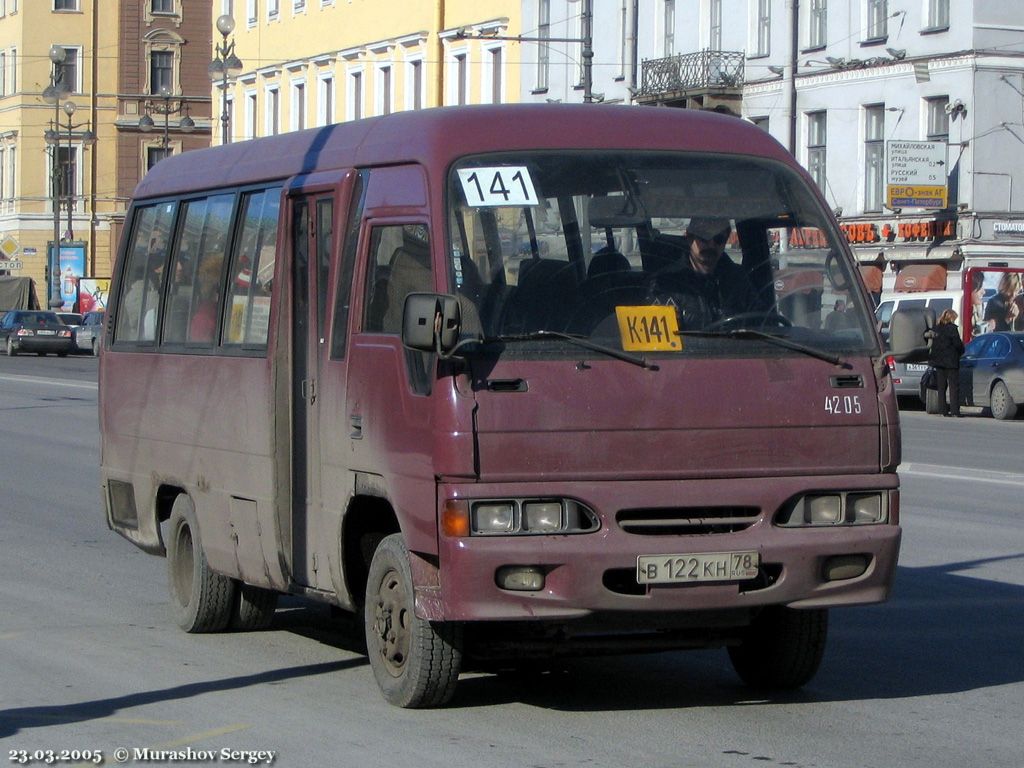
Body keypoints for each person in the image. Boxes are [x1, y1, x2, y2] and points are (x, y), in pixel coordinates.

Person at [659, 216, 759, 324]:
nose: (711, 245)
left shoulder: (739, 280)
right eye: (704, 237)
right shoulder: (666, 282)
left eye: (718, 239)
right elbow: (657, 336)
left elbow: (762, 322)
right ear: (689, 237)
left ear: (726, 240)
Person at [926, 308, 964, 417]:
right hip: (951, 362)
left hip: (938, 361)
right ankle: (955, 411)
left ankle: (943, 410)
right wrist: (961, 351)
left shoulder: (936, 329)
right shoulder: (952, 329)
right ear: (951, 318)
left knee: (941, 387)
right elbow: (957, 344)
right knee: (954, 387)